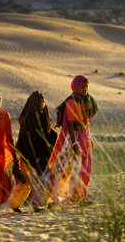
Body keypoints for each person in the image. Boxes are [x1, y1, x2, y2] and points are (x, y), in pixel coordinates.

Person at [48, 75, 98, 206]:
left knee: (86, 168)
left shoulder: (88, 100)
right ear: (76, 87)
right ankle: (64, 196)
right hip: (73, 137)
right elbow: (70, 123)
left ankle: (79, 197)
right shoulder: (72, 101)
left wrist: (90, 137)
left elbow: (85, 122)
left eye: (86, 86)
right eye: (82, 86)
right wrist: (74, 143)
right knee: (70, 168)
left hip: (84, 135)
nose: (85, 88)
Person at [15, 91, 57, 212]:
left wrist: (53, 136)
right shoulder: (29, 117)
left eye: (43, 101)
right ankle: (22, 204)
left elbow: (48, 133)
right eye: (39, 101)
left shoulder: (44, 116)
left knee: (44, 180)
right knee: (29, 183)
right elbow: (28, 138)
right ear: (33, 103)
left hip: (43, 154)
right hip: (31, 154)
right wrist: (31, 157)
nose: (42, 104)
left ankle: (42, 203)